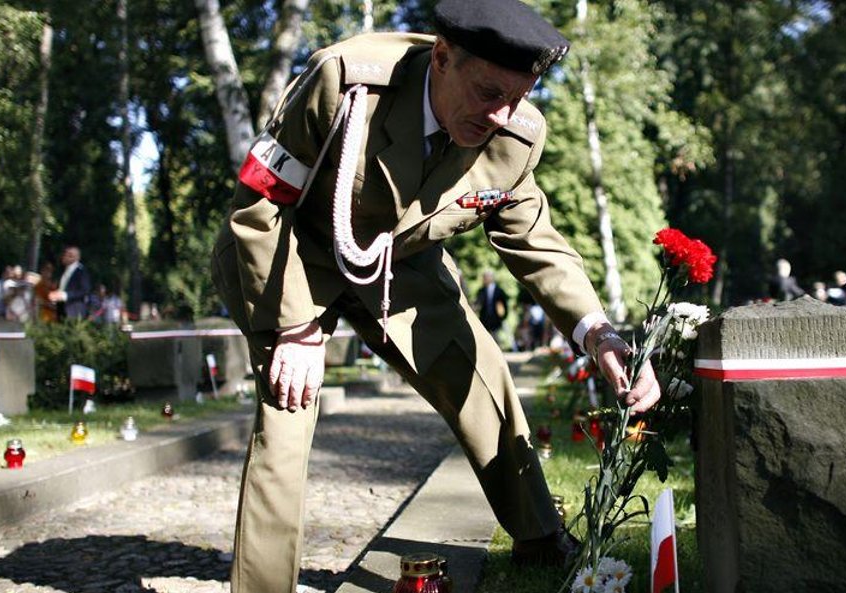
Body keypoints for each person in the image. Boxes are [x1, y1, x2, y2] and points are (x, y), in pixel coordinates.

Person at [211, 2, 661, 591]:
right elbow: (263, 202)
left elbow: (534, 240)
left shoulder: (515, 136)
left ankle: (539, 538)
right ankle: (264, 585)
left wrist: (599, 334)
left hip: (401, 269)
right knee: (287, 406)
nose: (501, 116)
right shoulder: (344, 82)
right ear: (443, 59)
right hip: (291, 255)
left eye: (518, 98)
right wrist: (294, 329)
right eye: (489, 92)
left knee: (482, 376)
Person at [49, 246, 92, 320]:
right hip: (60, 310)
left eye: (68, 255)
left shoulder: (81, 271)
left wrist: (66, 295)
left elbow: (84, 290)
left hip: (74, 311)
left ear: (75, 258)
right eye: (64, 254)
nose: (64, 257)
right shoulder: (63, 270)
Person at [474, 269, 508, 339]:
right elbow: (477, 303)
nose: (484, 279)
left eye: (485, 277)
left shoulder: (499, 291)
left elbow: (504, 305)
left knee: (496, 339)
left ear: (491, 278)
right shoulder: (481, 291)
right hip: (484, 320)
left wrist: (502, 317)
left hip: (496, 321)